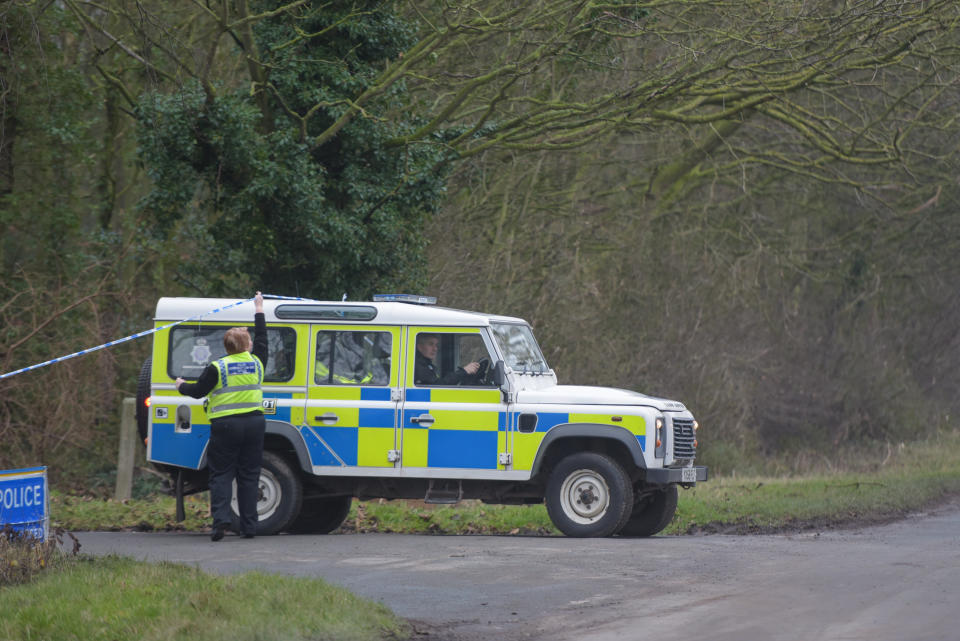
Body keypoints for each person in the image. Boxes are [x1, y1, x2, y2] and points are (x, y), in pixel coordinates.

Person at [176, 292, 267, 541]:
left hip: (226, 426)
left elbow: (197, 392)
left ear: (226, 347)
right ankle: (249, 527)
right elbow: (263, 338)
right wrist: (259, 309)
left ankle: (220, 524)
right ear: (247, 346)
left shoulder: (217, 367)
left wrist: (180, 385)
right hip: (255, 424)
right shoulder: (258, 362)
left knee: (221, 475)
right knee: (249, 476)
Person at [414, 333, 480, 385]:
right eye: (431, 344)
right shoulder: (418, 367)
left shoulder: (427, 365)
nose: (435, 349)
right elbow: (438, 386)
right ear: (420, 347)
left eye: (436, 345)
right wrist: (464, 371)